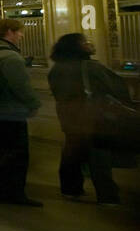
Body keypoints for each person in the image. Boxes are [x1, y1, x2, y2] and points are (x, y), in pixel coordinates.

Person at [48, 33, 126, 205]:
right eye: (85, 42)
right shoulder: (90, 67)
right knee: (99, 155)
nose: (89, 44)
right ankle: (108, 196)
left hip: (68, 117)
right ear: (77, 46)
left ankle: (70, 189)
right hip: (93, 117)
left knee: (71, 151)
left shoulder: (56, 68)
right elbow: (116, 88)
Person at [0, 18, 42, 206]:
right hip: (9, 114)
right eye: (19, 32)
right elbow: (20, 86)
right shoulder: (10, 57)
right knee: (15, 156)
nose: (21, 36)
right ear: (9, 32)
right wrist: (34, 104)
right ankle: (14, 194)